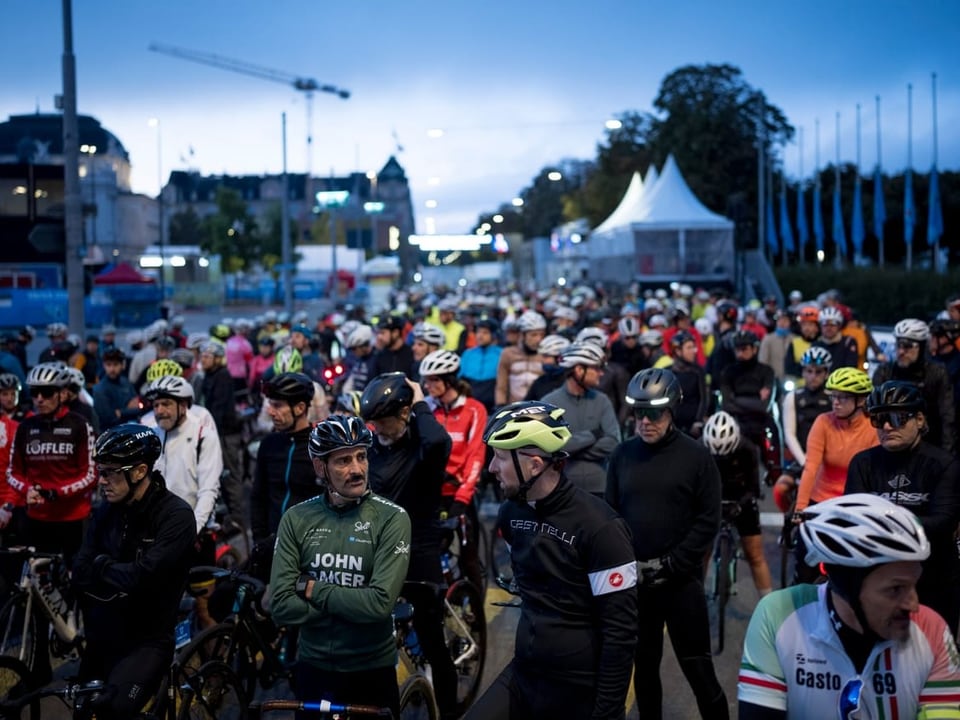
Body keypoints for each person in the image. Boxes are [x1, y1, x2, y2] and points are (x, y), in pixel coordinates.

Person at [466, 401, 637, 720]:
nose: (491, 468)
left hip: (577, 687)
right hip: (525, 673)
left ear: (533, 464)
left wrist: (609, 711)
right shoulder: (511, 513)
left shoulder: (602, 528)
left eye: (500, 457)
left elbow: (621, 631)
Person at [738, 494, 960, 720]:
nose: (913, 605)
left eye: (914, 584)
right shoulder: (779, 615)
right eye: (895, 589)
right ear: (846, 587)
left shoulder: (932, 630)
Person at [606, 368, 728, 720]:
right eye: (638, 413)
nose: (645, 421)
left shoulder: (697, 457)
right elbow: (612, 515)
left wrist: (674, 563)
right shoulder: (622, 455)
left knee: (699, 672)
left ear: (672, 410)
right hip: (637, 584)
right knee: (644, 672)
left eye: (654, 413)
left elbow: (708, 519)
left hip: (680, 584)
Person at [270, 415, 411, 718]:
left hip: (372, 669)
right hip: (313, 668)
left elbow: (378, 604)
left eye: (361, 457)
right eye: (343, 461)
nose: (357, 469)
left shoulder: (392, 518)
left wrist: (312, 588)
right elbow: (280, 606)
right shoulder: (296, 519)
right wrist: (352, 602)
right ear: (320, 467)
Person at [72, 423, 197, 720]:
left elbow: (143, 577)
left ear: (140, 471)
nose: (101, 481)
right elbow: (79, 571)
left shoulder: (175, 515)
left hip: (148, 640)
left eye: (110, 472)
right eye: (100, 471)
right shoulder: (105, 512)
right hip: (102, 636)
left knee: (115, 710)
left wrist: (101, 566)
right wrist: (114, 571)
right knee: (81, 709)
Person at [360, 372, 458, 719]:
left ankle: (448, 712)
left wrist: (419, 400)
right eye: (373, 422)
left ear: (404, 413)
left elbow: (438, 439)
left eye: (384, 421)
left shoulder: (423, 446)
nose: (379, 429)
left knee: (434, 644)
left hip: (419, 552)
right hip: (379, 553)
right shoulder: (372, 449)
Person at [845, 381, 960, 635]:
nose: (886, 426)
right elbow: (853, 518)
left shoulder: (944, 464)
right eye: (879, 418)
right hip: (876, 579)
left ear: (919, 419)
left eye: (897, 417)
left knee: (937, 664)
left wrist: (882, 522)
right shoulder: (862, 463)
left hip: (933, 577)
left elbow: (943, 523)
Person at [420, 350, 487, 593]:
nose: (427, 386)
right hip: (431, 493)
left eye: (433, 380)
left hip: (460, 494)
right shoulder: (425, 408)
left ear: (449, 380)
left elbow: (475, 456)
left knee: (469, 559)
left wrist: (462, 498)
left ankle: (476, 612)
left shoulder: (474, 409)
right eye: (425, 380)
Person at [701, 411, 772, 597]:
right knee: (700, 552)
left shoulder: (748, 449)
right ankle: (692, 598)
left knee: (755, 556)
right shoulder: (699, 448)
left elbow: (754, 489)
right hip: (712, 497)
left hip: (741, 497)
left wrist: (740, 505)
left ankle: (769, 605)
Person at [142, 375, 222, 535]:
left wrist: (193, 529)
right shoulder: (151, 436)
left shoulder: (203, 436)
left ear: (183, 405)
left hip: (193, 528)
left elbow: (208, 490)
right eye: (156, 405)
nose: (159, 411)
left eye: (166, 404)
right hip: (158, 528)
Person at [249, 373, 317, 554]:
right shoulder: (269, 444)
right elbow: (258, 496)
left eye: (277, 405)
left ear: (300, 408)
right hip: (272, 545)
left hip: (311, 550)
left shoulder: (320, 447)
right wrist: (259, 541)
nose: (271, 411)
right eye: (270, 404)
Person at [542, 341, 620, 498]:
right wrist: (592, 435)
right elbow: (549, 446)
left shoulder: (602, 400)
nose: (601, 373)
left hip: (599, 486)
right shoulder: (549, 403)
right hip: (561, 488)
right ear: (579, 370)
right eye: (596, 368)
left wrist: (570, 450)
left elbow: (613, 442)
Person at [873, 318, 956, 455]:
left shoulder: (937, 372)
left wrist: (947, 454)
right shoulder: (884, 371)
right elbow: (874, 413)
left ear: (922, 347)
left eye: (907, 346)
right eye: (898, 345)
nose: (901, 351)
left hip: (930, 442)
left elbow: (948, 417)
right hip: (891, 441)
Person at [772, 346, 833, 512]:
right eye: (809, 371)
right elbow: (789, 434)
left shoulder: (834, 398)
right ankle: (789, 522)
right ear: (803, 372)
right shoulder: (793, 397)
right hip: (800, 458)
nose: (813, 376)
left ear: (826, 373)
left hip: (827, 461)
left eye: (818, 371)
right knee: (780, 490)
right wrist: (806, 462)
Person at [198, 341, 246, 523]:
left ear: (217, 359)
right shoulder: (208, 376)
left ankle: (237, 517)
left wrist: (211, 435)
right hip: (217, 432)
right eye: (202, 356)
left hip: (225, 434)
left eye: (207, 356)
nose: (203, 360)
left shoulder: (222, 376)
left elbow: (218, 407)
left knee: (231, 474)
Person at [495, 310, 547, 406]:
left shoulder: (546, 355)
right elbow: (501, 386)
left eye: (542, 335)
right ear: (522, 335)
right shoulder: (508, 353)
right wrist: (500, 405)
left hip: (540, 409)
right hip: (514, 408)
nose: (539, 339)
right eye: (533, 335)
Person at [670, 330, 709, 437]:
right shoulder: (668, 372)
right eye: (689, 348)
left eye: (693, 347)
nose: (693, 351)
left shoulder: (698, 371)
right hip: (673, 425)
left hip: (693, 426)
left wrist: (698, 421)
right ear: (678, 351)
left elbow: (704, 398)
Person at [459, 317, 502, 412]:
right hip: (469, 403)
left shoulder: (501, 354)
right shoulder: (468, 353)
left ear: (494, 335)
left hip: (492, 406)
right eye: (478, 332)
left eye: (485, 333)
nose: (480, 336)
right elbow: (460, 378)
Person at [92, 348, 141, 431]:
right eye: (108, 365)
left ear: (122, 365)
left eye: (115, 364)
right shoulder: (99, 389)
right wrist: (127, 409)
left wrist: (120, 412)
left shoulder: (126, 383)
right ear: (104, 365)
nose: (112, 369)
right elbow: (108, 418)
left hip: (129, 429)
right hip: (110, 434)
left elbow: (138, 409)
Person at [523, 333, 570, 401]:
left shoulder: (571, 382)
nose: (541, 360)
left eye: (546, 356)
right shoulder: (540, 382)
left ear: (559, 358)